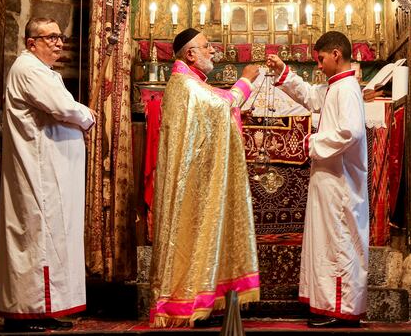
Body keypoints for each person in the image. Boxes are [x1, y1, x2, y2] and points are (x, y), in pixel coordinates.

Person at [149, 28, 261, 327]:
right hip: (191, 184)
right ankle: (184, 301)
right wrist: (247, 79)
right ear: (190, 54)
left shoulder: (189, 82)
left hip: (194, 177)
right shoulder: (186, 84)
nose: (212, 51)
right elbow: (225, 103)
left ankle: (201, 296)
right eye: (206, 46)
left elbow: (215, 112)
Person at [0, 17, 96, 333]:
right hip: (37, 171)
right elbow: (63, 108)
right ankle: (25, 312)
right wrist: (87, 115)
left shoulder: (41, 71)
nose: (58, 42)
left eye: (60, 36)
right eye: (49, 37)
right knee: (35, 238)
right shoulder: (29, 70)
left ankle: (44, 309)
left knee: (49, 241)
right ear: (31, 42)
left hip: (50, 172)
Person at [266, 31, 369, 328]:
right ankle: (331, 305)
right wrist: (284, 72)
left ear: (336, 54)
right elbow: (312, 97)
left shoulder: (347, 88)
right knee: (329, 242)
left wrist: (312, 144)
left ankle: (340, 308)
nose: (319, 66)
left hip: (340, 184)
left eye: (321, 59)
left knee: (338, 242)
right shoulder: (336, 86)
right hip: (331, 179)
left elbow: (350, 132)